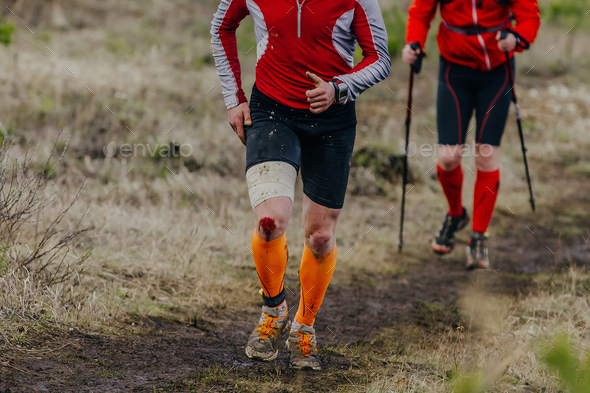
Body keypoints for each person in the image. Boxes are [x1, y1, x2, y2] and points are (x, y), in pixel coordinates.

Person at [211, 0, 390, 369]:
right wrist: (234, 99)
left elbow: (380, 59)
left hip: (333, 119)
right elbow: (221, 28)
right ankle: (273, 311)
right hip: (272, 111)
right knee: (270, 222)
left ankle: (303, 328)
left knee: (321, 237)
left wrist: (339, 88)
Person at [402, 0, 540, 269]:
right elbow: (420, 12)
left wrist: (517, 38)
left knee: (486, 156)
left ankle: (478, 237)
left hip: (497, 73)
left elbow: (529, 17)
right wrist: (413, 44)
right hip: (455, 72)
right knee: (448, 156)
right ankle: (456, 215)